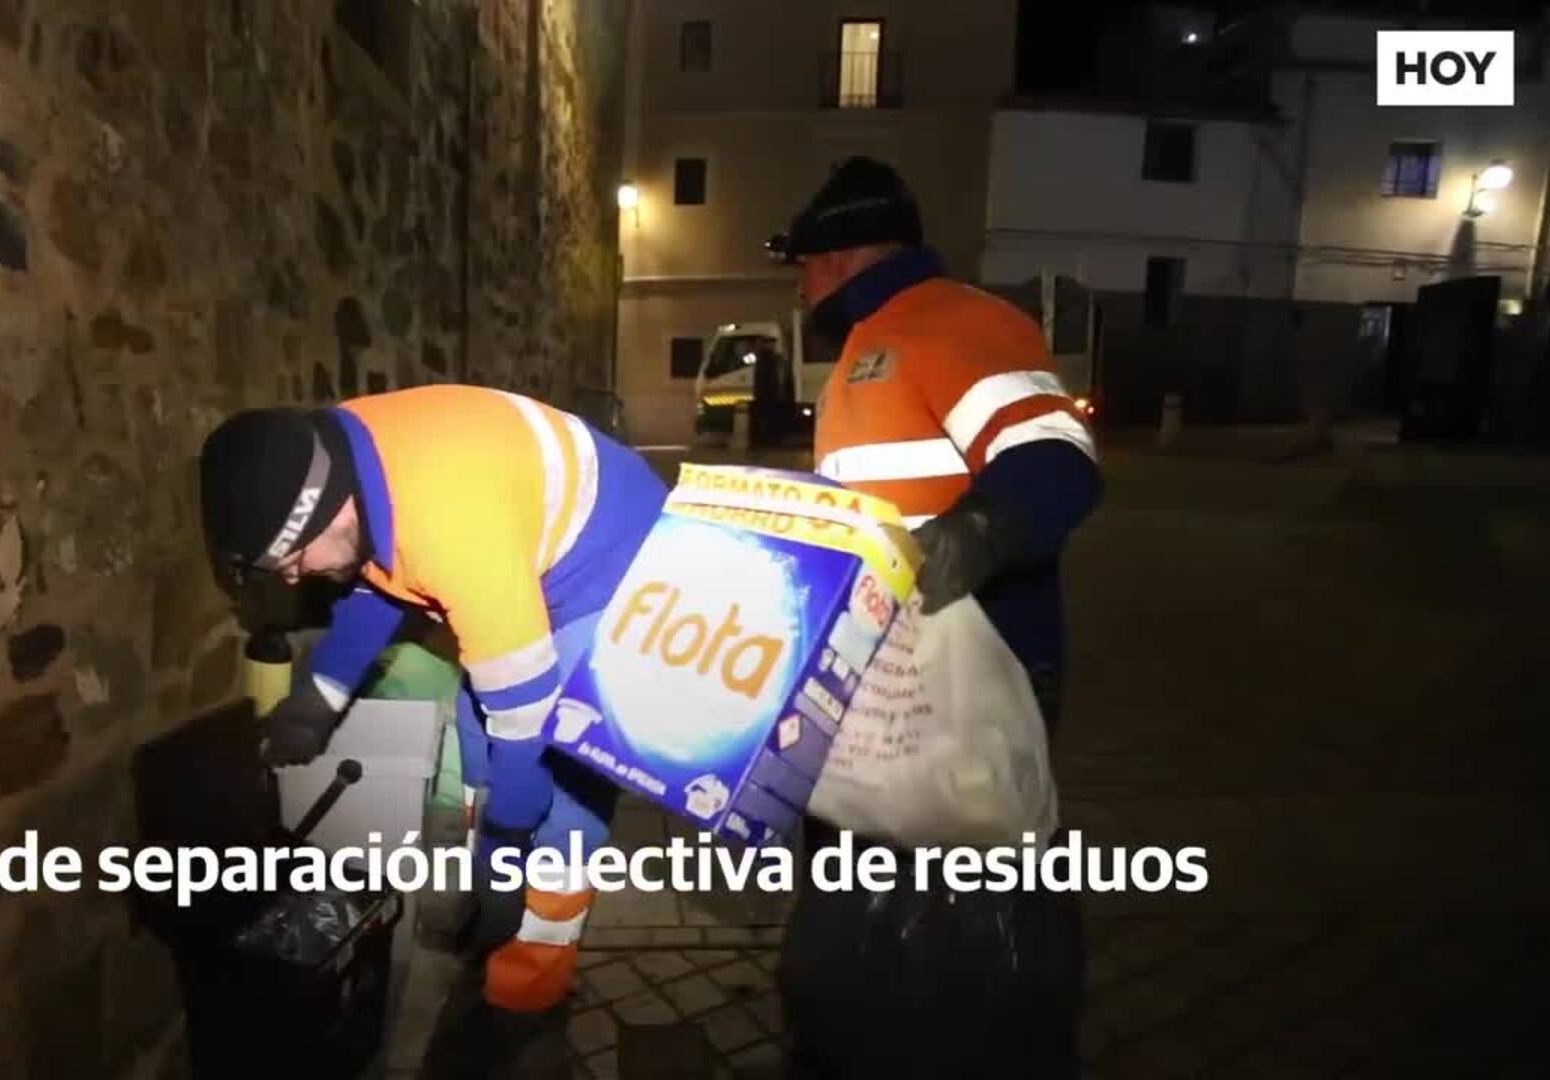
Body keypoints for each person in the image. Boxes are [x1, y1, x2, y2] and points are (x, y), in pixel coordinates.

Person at [198, 384, 667, 1077]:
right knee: (480, 740)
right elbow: (378, 582)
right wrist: (316, 702)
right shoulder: (345, 457)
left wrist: (505, 846)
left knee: (560, 795)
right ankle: (495, 917)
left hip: (616, 563)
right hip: (511, 539)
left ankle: (528, 994)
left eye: (294, 559)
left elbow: (529, 715)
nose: (296, 582)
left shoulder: (448, 522)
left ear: (332, 508)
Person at [766, 157, 1102, 1077]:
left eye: (803, 263)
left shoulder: (954, 321)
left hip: (972, 674)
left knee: (960, 924)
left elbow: (1056, 456)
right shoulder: (871, 347)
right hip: (884, 685)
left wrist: (979, 536)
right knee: (867, 908)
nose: (799, 285)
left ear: (837, 256)